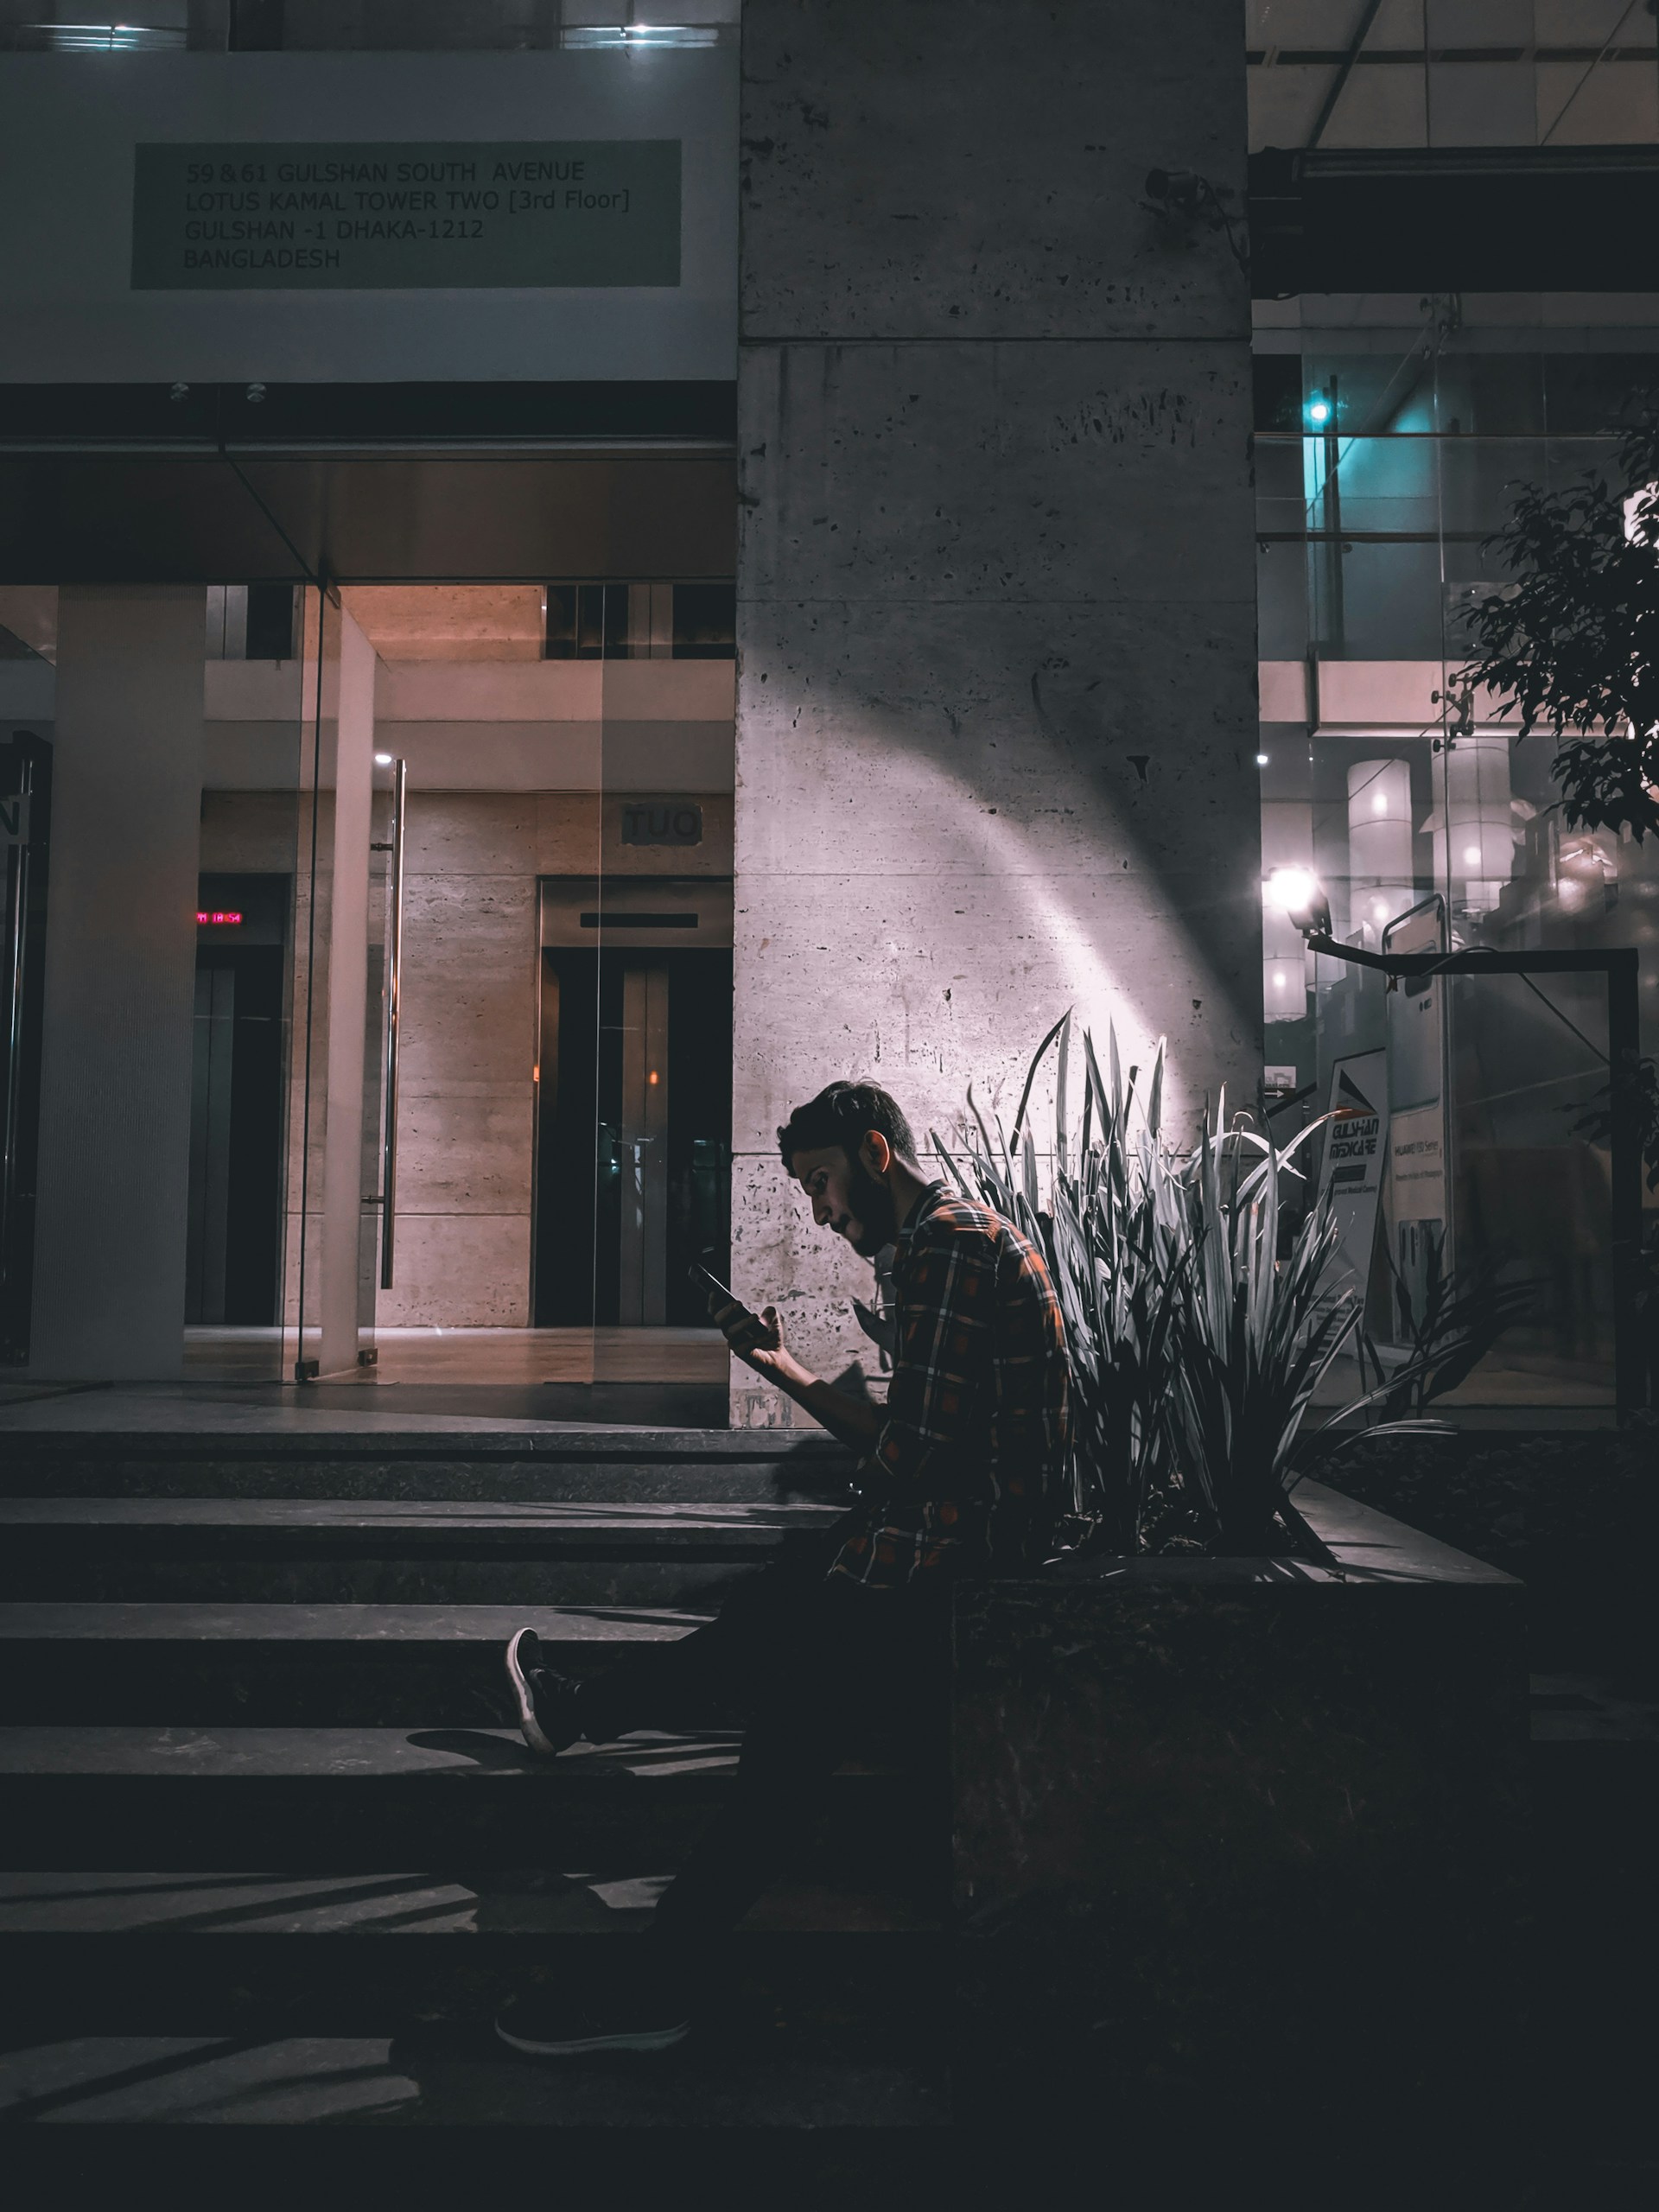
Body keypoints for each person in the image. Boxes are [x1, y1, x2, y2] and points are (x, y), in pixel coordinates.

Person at [493, 1079, 1071, 2057]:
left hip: (950, 1566)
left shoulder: (948, 1246)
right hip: (941, 1546)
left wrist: (800, 1398)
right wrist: (781, 1367)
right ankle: (575, 1716)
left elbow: (914, 1454)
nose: (817, 1207)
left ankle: (650, 1981)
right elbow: (923, 1449)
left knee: (778, 1749)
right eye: (806, 1188)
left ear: (877, 1154)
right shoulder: (946, 1240)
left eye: (821, 1181)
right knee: (772, 1630)